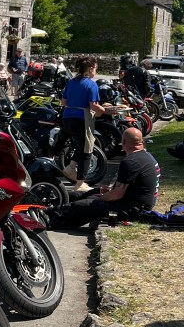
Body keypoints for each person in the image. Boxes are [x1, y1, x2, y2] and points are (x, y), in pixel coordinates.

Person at [48, 128, 159, 229]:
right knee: (92, 192)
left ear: (124, 142)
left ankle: (49, 217)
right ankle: (55, 202)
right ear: (141, 142)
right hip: (138, 202)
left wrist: (99, 199)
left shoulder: (131, 161)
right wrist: (101, 194)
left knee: (89, 204)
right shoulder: (147, 156)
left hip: (135, 209)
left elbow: (117, 194)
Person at [60, 55, 106, 193]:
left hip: (67, 118)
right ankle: (80, 183)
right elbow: (93, 106)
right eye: (95, 68)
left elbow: (64, 102)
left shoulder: (72, 82)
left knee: (79, 145)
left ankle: (71, 167)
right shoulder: (91, 84)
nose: (95, 71)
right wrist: (105, 111)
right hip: (82, 119)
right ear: (91, 68)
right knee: (87, 149)